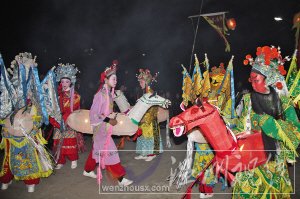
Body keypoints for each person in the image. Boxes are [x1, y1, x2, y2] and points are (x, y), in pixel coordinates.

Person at [232, 46, 300, 198]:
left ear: (269, 79)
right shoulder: (248, 99)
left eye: (256, 80)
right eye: (251, 80)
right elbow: (243, 124)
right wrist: (237, 132)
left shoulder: (283, 102)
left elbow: (296, 132)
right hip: (251, 158)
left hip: (273, 161)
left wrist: (270, 124)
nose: (252, 84)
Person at [0, 52, 53, 192]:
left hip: (28, 134)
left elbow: (40, 115)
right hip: (12, 133)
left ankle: (31, 181)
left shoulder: (35, 94)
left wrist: (34, 126)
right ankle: (6, 179)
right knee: (9, 158)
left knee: (29, 157)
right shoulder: (11, 90)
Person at [83, 60, 133, 186]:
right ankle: (121, 179)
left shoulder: (109, 94)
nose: (115, 81)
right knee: (111, 151)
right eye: (113, 78)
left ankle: (87, 170)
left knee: (97, 150)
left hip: (105, 127)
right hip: (100, 127)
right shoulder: (100, 95)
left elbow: (106, 111)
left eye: (116, 78)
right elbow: (94, 113)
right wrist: (108, 119)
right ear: (106, 80)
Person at [52, 63, 82, 169]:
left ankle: (73, 159)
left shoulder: (75, 95)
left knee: (70, 140)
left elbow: (74, 108)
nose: (64, 83)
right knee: (58, 140)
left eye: (67, 81)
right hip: (58, 121)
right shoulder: (57, 94)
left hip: (69, 121)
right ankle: (60, 160)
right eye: (63, 81)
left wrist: (65, 117)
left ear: (71, 82)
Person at [134, 68, 163, 161]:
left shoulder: (151, 93)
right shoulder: (143, 93)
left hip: (149, 120)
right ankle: (143, 153)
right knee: (142, 136)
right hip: (142, 119)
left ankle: (151, 154)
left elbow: (154, 108)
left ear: (146, 82)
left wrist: (145, 119)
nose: (139, 83)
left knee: (150, 136)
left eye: (141, 82)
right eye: (139, 82)